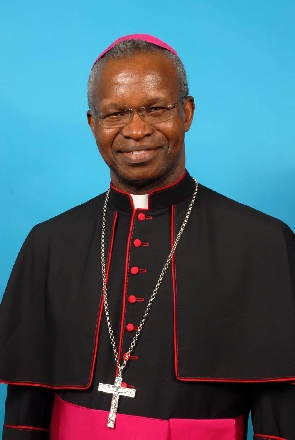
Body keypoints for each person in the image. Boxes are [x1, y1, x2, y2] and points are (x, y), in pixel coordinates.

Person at [1, 34, 295, 440]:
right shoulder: (48, 244)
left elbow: (281, 413)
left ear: (187, 112)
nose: (136, 130)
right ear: (93, 124)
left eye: (155, 108)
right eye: (115, 114)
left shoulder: (263, 242)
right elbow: (24, 413)